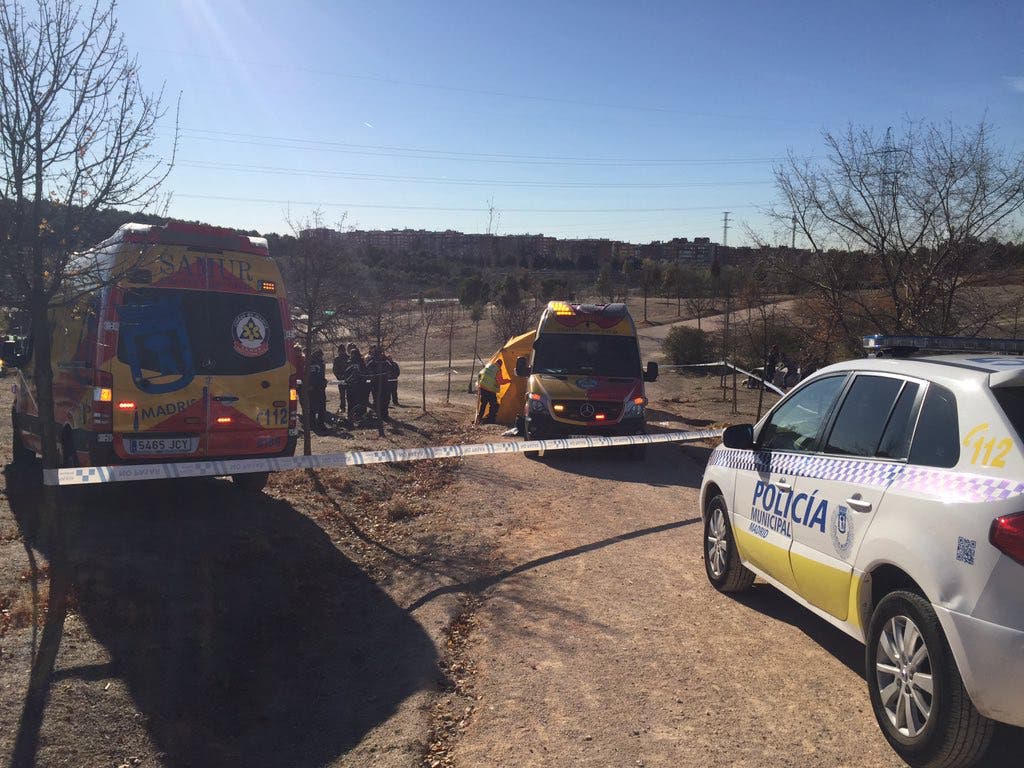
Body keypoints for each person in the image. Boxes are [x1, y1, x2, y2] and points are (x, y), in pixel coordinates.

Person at [477, 358, 508, 424]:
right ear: (500, 365)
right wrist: (508, 380)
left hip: (482, 388)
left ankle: (479, 419)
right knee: (494, 405)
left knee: (483, 404)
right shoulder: (498, 370)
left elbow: (480, 374)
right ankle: (491, 419)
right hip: (490, 390)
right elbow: (500, 381)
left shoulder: (489, 366)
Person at [366, 346, 390, 420]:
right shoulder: (373, 362)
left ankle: (383, 414)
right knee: (379, 399)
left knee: (383, 399)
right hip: (377, 383)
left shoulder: (384, 361)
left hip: (382, 383)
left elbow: (390, 368)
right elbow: (368, 372)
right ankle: (380, 413)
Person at [307, 348, 328, 431]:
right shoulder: (311, 363)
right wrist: (311, 385)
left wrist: (324, 381)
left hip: (320, 387)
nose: (321, 358)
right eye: (320, 356)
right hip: (313, 388)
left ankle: (321, 424)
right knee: (313, 407)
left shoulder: (321, 363)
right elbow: (311, 377)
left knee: (322, 407)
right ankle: (312, 424)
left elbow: (321, 375)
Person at [332, 345, 349, 413]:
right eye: (340, 350)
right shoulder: (336, 359)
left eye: (343, 350)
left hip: (348, 379)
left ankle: (350, 407)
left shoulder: (349, 358)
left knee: (349, 394)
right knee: (342, 395)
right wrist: (339, 376)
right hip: (341, 379)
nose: (341, 352)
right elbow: (335, 370)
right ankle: (342, 407)